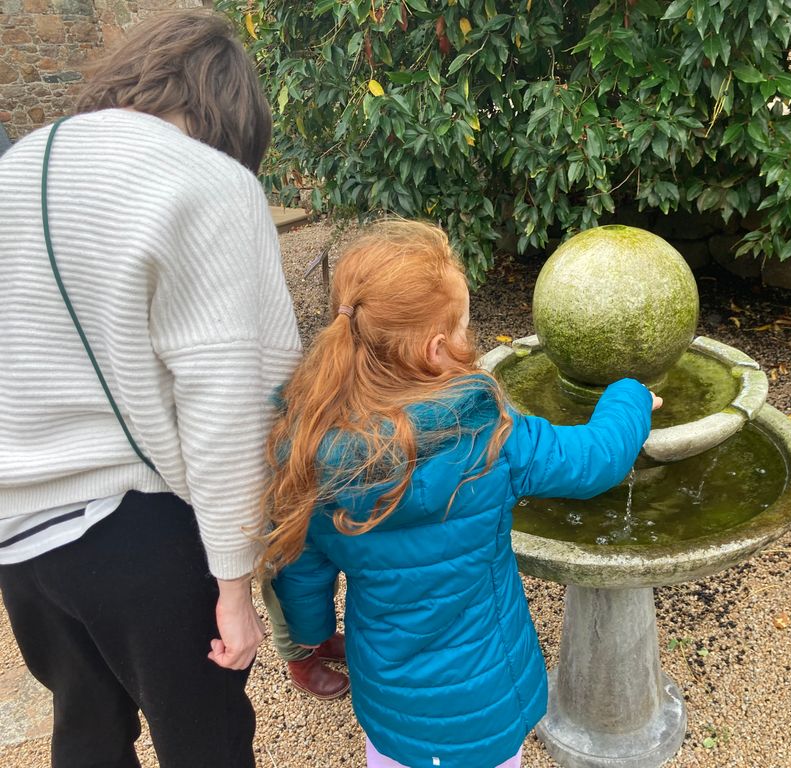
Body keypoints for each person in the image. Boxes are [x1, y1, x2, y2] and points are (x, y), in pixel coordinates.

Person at [0, 10, 301, 767]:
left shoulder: (15, 167)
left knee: (88, 735)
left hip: (19, 541)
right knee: (207, 745)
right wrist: (236, 584)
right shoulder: (212, 183)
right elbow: (231, 401)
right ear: (229, 116)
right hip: (141, 536)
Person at [264, 219, 662, 768]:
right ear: (436, 349)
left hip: (392, 702)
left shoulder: (312, 448)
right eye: (464, 327)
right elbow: (595, 459)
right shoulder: (490, 437)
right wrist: (629, 397)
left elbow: (300, 572)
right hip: (488, 699)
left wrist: (313, 635)